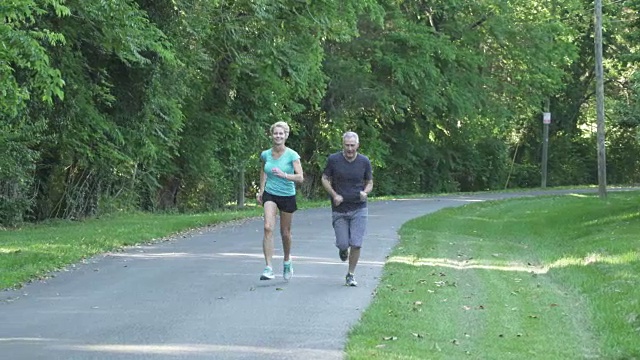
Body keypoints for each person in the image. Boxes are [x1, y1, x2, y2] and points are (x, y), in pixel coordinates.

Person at [321, 131, 373, 286]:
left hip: (359, 208)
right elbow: (324, 178)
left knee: (356, 243)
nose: (350, 149)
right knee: (344, 243)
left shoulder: (364, 161)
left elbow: (369, 181)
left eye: (352, 145)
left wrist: (365, 192)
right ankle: (343, 250)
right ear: (342, 145)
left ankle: (350, 274)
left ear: (357, 145)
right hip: (340, 209)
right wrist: (334, 194)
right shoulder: (334, 160)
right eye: (347, 145)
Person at [256, 121, 304, 281]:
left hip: (287, 195)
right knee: (268, 227)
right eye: (275, 133)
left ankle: (287, 260)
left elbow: (300, 177)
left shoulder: (292, 155)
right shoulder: (266, 154)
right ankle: (268, 267)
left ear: (286, 135)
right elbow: (263, 170)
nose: (278, 136)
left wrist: (284, 175)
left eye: (281, 133)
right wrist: (262, 190)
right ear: (271, 135)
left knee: (285, 233)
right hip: (270, 193)